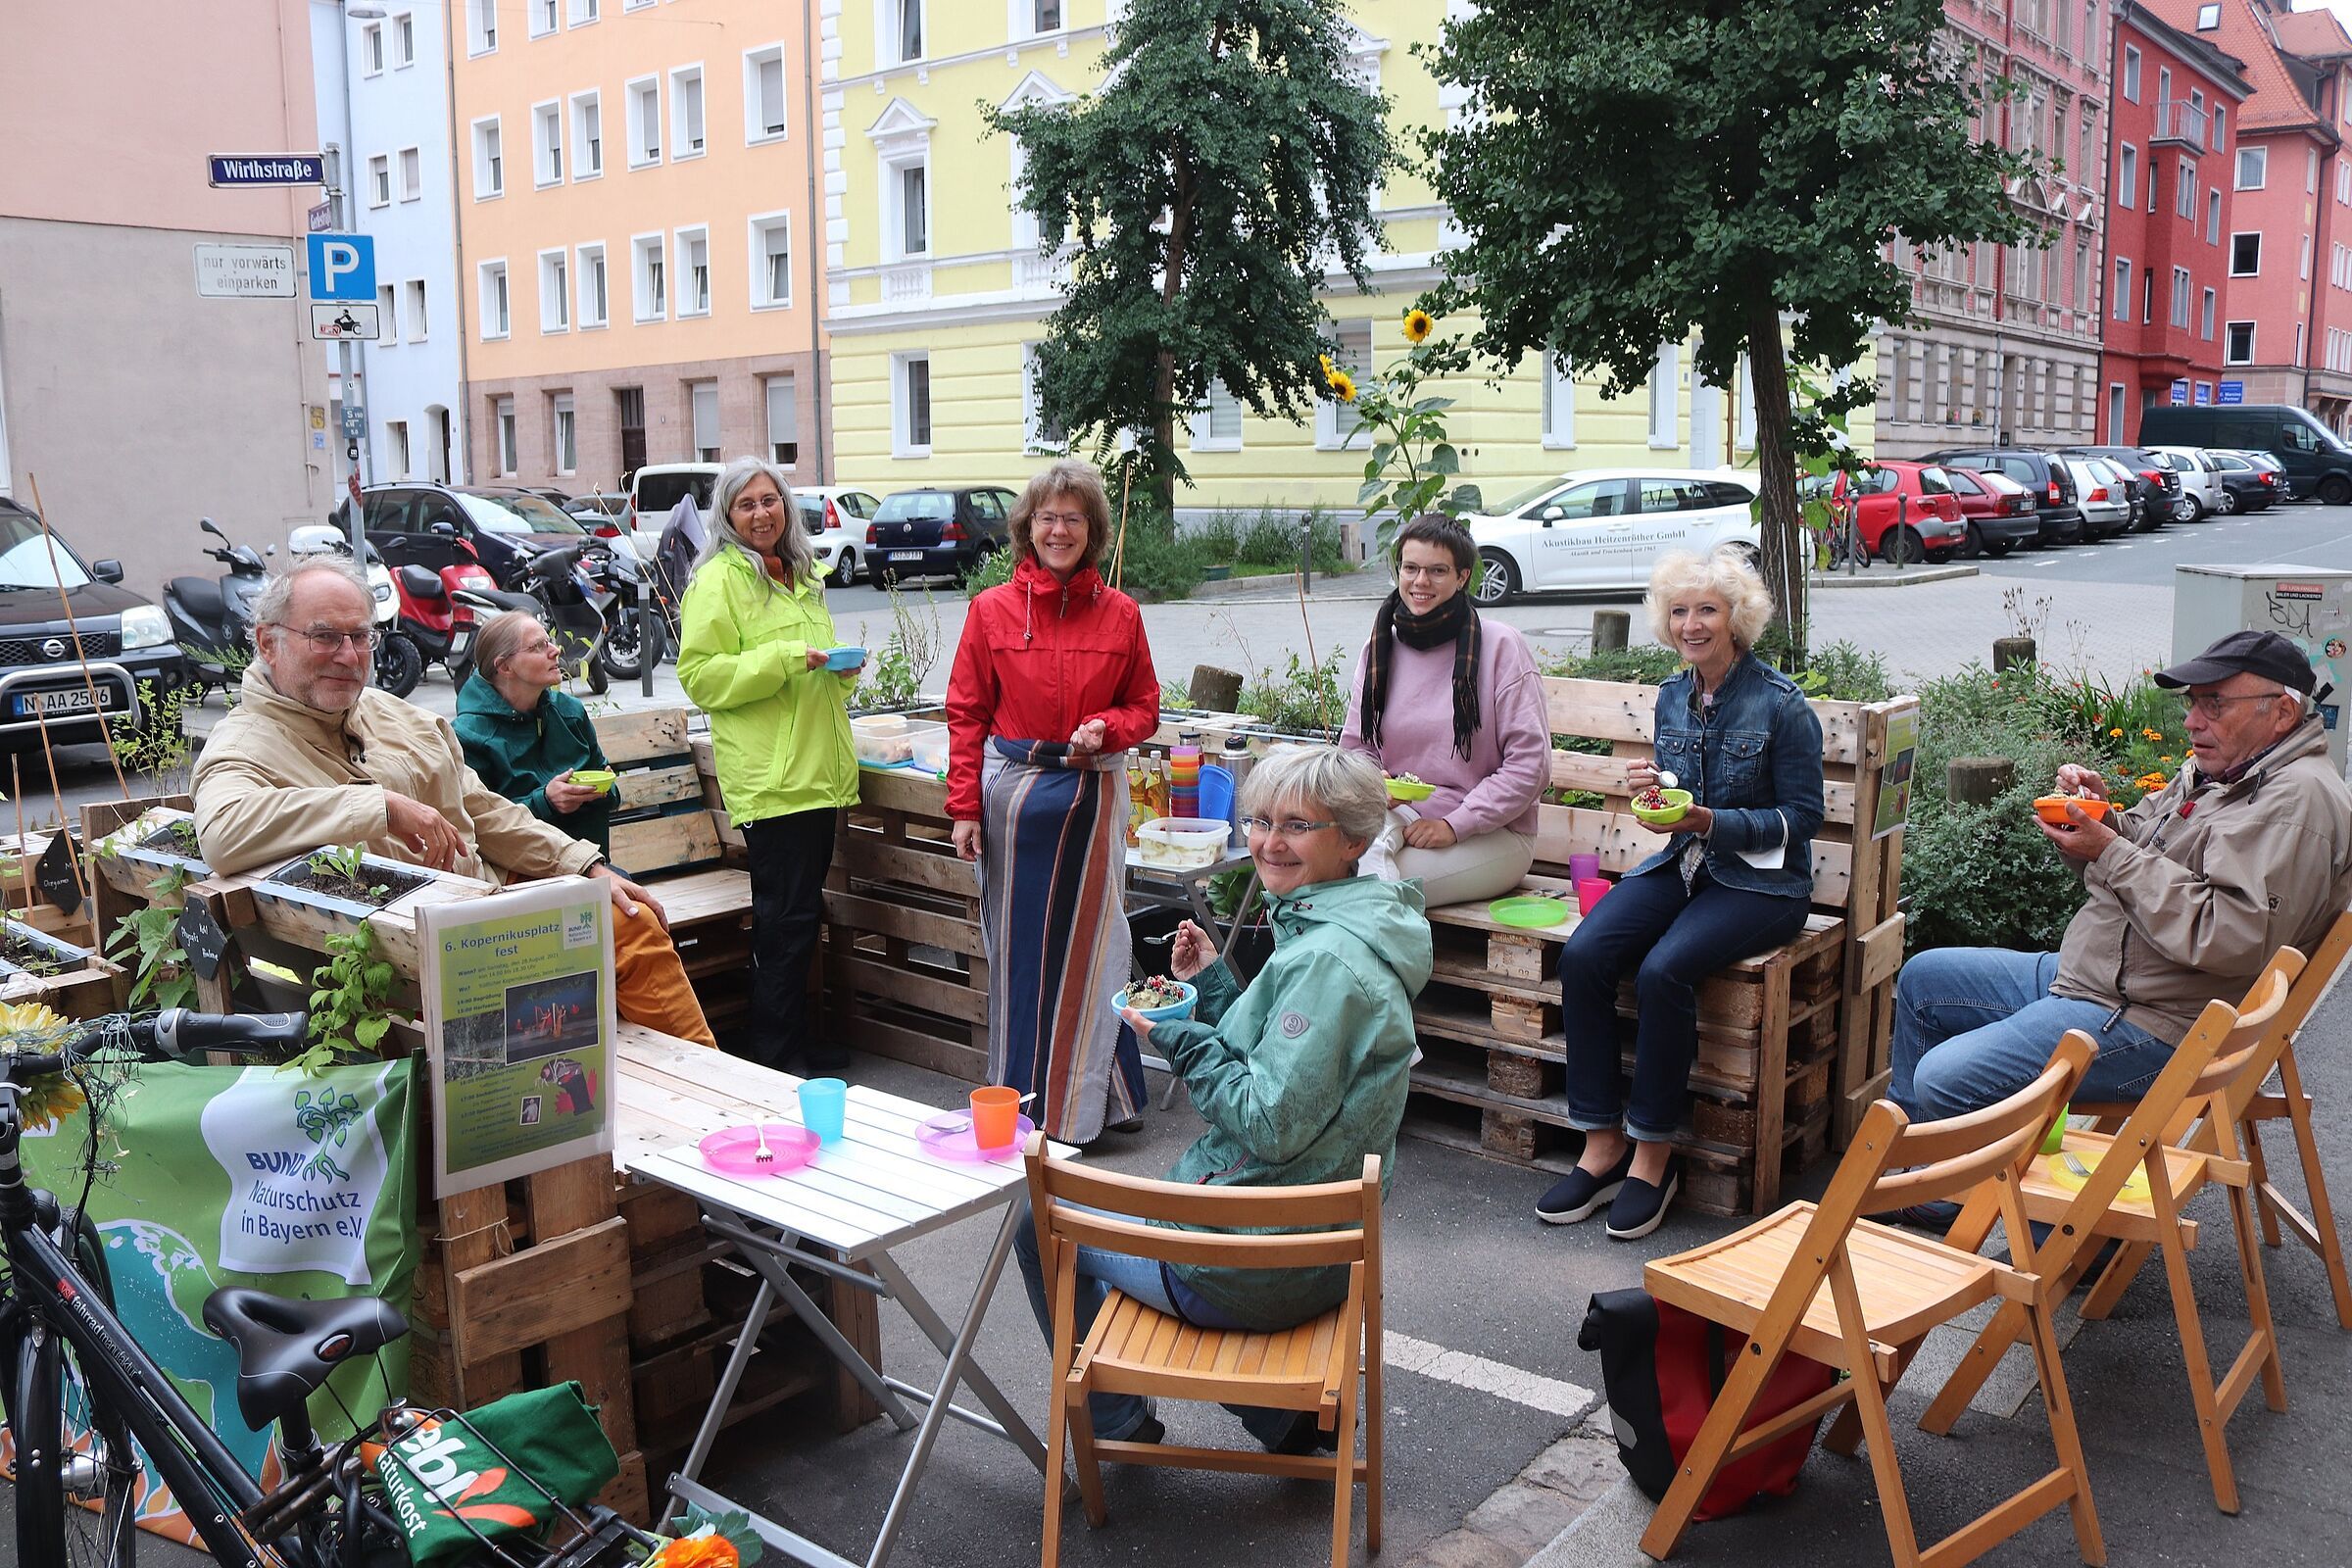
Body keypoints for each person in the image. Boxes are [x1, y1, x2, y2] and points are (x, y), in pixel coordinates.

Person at [1010, 746, 1429, 1450]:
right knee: (1094, 1220)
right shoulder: (1356, 928)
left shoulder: (1328, 960)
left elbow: (1267, 1121)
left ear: (1353, 840)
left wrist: (1177, 1037)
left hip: (1254, 1266)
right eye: (1261, 820)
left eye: (1298, 825)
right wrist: (1208, 987)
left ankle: (1118, 1424)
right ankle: (1279, 1418)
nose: (1269, 841)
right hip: (1324, 1253)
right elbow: (1292, 1068)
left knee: (1037, 1222)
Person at [1886, 630, 2352, 1203]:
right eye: (2192, 702)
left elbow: (2230, 937)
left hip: (2157, 1020)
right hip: (2105, 978)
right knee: (1924, 980)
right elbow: (2141, 849)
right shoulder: (2228, 769)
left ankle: (2032, 1227)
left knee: (1944, 1077)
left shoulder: (2293, 803)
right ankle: (1918, 1177)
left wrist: (2108, 850)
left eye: (2215, 704)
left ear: (2281, 712)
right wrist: (2101, 818)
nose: (2192, 721)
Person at [191, 559, 715, 1050]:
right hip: (409, 955)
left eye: (360, 637)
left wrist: (582, 863)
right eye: (325, 637)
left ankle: (717, 1104)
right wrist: (380, 806)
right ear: (268, 643)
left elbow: (483, 809)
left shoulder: (395, 715)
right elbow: (222, 832)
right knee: (604, 952)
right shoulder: (243, 744)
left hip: (486, 905)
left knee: (631, 918)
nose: (349, 656)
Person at [1538, 547, 1825, 1241]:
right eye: (1680, 611)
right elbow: (1674, 795)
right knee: (1585, 954)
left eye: (1707, 609)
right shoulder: (1672, 694)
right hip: (1684, 861)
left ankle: (1653, 1156)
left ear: (1737, 618)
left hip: (1763, 883)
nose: (1692, 624)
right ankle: (1601, 1144)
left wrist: (1711, 822)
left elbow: (1802, 818)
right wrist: (1654, 798)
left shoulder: (1783, 705)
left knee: (1667, 970)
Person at [945, 459, 1160, 1145]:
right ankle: (1027, 1101)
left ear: (1092, 530)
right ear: (1027, 529)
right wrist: (964, 809)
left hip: (1092, 796)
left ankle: (1099, 1102)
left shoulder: (1121, 614)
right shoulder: (991, 611)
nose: (1059, 529)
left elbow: (1145, 707)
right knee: (1018, 958)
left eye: (1072, 518)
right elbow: (966, 714)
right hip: (1014, 802)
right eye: (1047, 518)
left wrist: (1111, 728)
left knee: (1096, 952)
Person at [677, 456, 862, 1073]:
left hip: (816, 773)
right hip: (772, 779)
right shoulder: (720, 580)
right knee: (783, 922)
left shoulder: (801, 574)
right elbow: (701, 678)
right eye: (746, 504)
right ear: (727, 516)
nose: (762, 514)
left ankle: (793, 1043)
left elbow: (807, 667)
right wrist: (789, 658)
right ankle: (776, 1056)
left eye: (770, 500)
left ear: (787, 506)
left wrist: (837, 670)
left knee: (801, 918)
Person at [1341, 514, 1550, 906]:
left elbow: (1530, 766)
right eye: (1411, 568)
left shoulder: (1501, 647)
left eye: (1437, 571)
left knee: (1365, 890)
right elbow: (1356, 750)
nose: (1421, 582)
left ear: (1463, 577)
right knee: (1328, 866)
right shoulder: (1379, 650)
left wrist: (1455, 825)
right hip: (1395, 815)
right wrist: (1373, 783)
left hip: (1492, 833)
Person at [455, 611, 614, 857]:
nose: (555, 650)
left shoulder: (570, 713)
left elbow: (611, 792)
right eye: (538, 646)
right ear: (505, 666)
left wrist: (602, 790)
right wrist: (546, 801)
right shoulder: (469, 736)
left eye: (549, 641)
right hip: (518, 878)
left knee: (630, 891)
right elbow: (480, 824)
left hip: (593, 868)